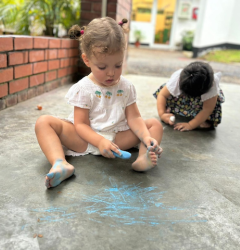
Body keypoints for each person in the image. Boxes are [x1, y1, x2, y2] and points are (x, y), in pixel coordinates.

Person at [35, 17, 163, 188]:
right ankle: (60, 162)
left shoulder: (126, 86)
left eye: (118, 65)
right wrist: (99, 141)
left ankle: (142, 158)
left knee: (154, 125)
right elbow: (80, 125)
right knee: (43, 122)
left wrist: (146, 138)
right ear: (87, 60)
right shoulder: (84, 88)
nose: (111, 73)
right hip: (85, 139)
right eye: (102, 67)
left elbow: (134, 117)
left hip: (117, 138)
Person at [153, 61, 225, 132]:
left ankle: (201, 119)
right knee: (168, 94)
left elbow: (207, 109)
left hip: (201, 102)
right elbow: (162, 95)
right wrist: (162, 114)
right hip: (182, 98)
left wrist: (191, 125)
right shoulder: (177, 79)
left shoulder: (212, 87)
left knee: (211, 107)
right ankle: (172, 109)